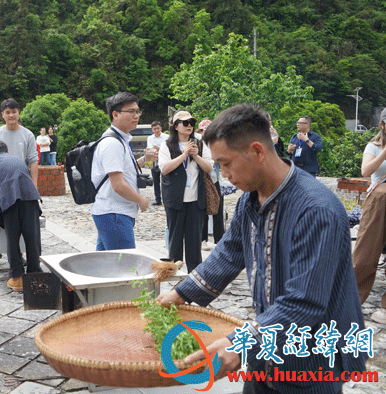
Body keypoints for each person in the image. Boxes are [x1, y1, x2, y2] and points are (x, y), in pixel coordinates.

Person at [157, 104, 367, 394]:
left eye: (227, 163)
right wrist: (180, 294)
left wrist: (239, 342)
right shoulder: (249, 198)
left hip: (313, 356)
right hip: (267, 346)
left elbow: (305, 301)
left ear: (257, 151)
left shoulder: (316, 209)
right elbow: (230, 252)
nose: (224, 173)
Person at [90, 91, 149, 251]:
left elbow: (123, 170)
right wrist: (140, 199)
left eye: (137, 111)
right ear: (115, 114)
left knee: (105, 267)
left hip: (114, 213)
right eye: (131, 111)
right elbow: (118, 185)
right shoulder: (112, 143)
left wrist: (144, 160)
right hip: (115, 213)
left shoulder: (120, 139)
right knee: (123, 267)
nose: (136, 116)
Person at [158, 110, 213, 272]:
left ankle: (194, 274)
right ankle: (172, 272)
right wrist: (184, 155)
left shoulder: (200, 143)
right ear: (175, 126)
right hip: (175, 199)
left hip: (196, 199)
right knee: (174, 240)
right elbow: (165, 169)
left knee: (194, 241)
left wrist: (195, 156)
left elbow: (209, 167)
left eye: (191, 123)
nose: (189, 126)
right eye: (185, 123)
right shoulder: (166, 145)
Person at [0, 140, 42, 292]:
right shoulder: (16, 158)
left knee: (12, 237)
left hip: (10, 199)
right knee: (32, 236)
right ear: (7, 152)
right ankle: (35, 273)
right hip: (30, 197)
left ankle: (16, 276)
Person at [352, 107, 386, 324]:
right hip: (378, 204)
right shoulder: (372, 147)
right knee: (364, 254)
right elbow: (365, 172)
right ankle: (350, 300)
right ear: (383, 125)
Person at [0, 98, 39, 186]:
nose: (11, 115)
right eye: (7, 112)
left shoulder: (28, 135)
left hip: (22, 181)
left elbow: (33, 161)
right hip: (0, 182)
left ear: (18, 112)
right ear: (2, 114)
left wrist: (34, 185)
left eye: (14, 111)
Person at [197, 119, 225, 251]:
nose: (206, 132)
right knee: (203, 210)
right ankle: (203, 239)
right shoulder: (197, 143)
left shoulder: (217, 142)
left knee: (218, 210)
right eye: (204, 130)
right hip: (202, 180)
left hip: (214, 179)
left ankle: (219, 239)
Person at [145, 121, 168, 206]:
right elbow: (149, 148)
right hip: (153, 160)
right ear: (152, 129)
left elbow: (168, 148)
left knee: (165, 180)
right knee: (156, 180)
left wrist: (159, 148)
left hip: (164, 160)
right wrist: (160, 148)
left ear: (161, 128)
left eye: (158, 128)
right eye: (154, 129)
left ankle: (166, 199)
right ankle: (158, 199)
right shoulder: (150, 138)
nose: (156, 130)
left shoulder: (166, 137)